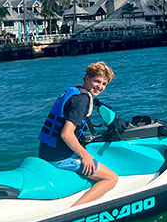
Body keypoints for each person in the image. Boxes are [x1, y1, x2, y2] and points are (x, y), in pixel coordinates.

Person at [38, 61, 118, 206]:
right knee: (111, 178)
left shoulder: (74, 91)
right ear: (87, 78)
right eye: (97, 81)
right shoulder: (82, 100)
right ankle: (74, 210)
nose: (100, 86)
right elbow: (66, 134)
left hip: (46, 150)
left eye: (104, 84)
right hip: (58, 156)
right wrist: (84, 156)